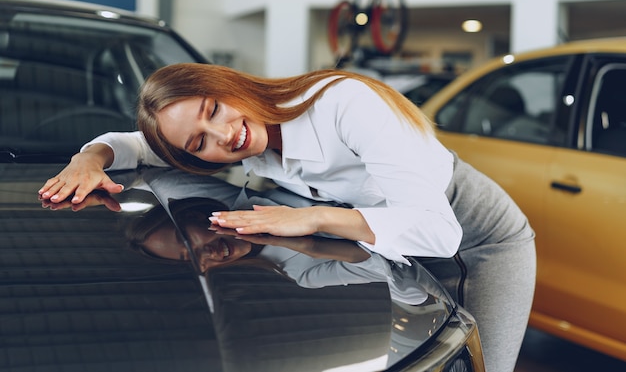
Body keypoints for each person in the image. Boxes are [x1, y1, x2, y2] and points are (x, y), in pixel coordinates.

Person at [39, 63, 535, 372]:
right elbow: (133, 144)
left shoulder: (342, 103)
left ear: (227, 83)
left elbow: (439, 232)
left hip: (477, 242)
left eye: (215, 109)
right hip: (390, 242)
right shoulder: (241, 143)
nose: (222, 135)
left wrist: (315, 218)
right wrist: (92, 158)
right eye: (199, 144)